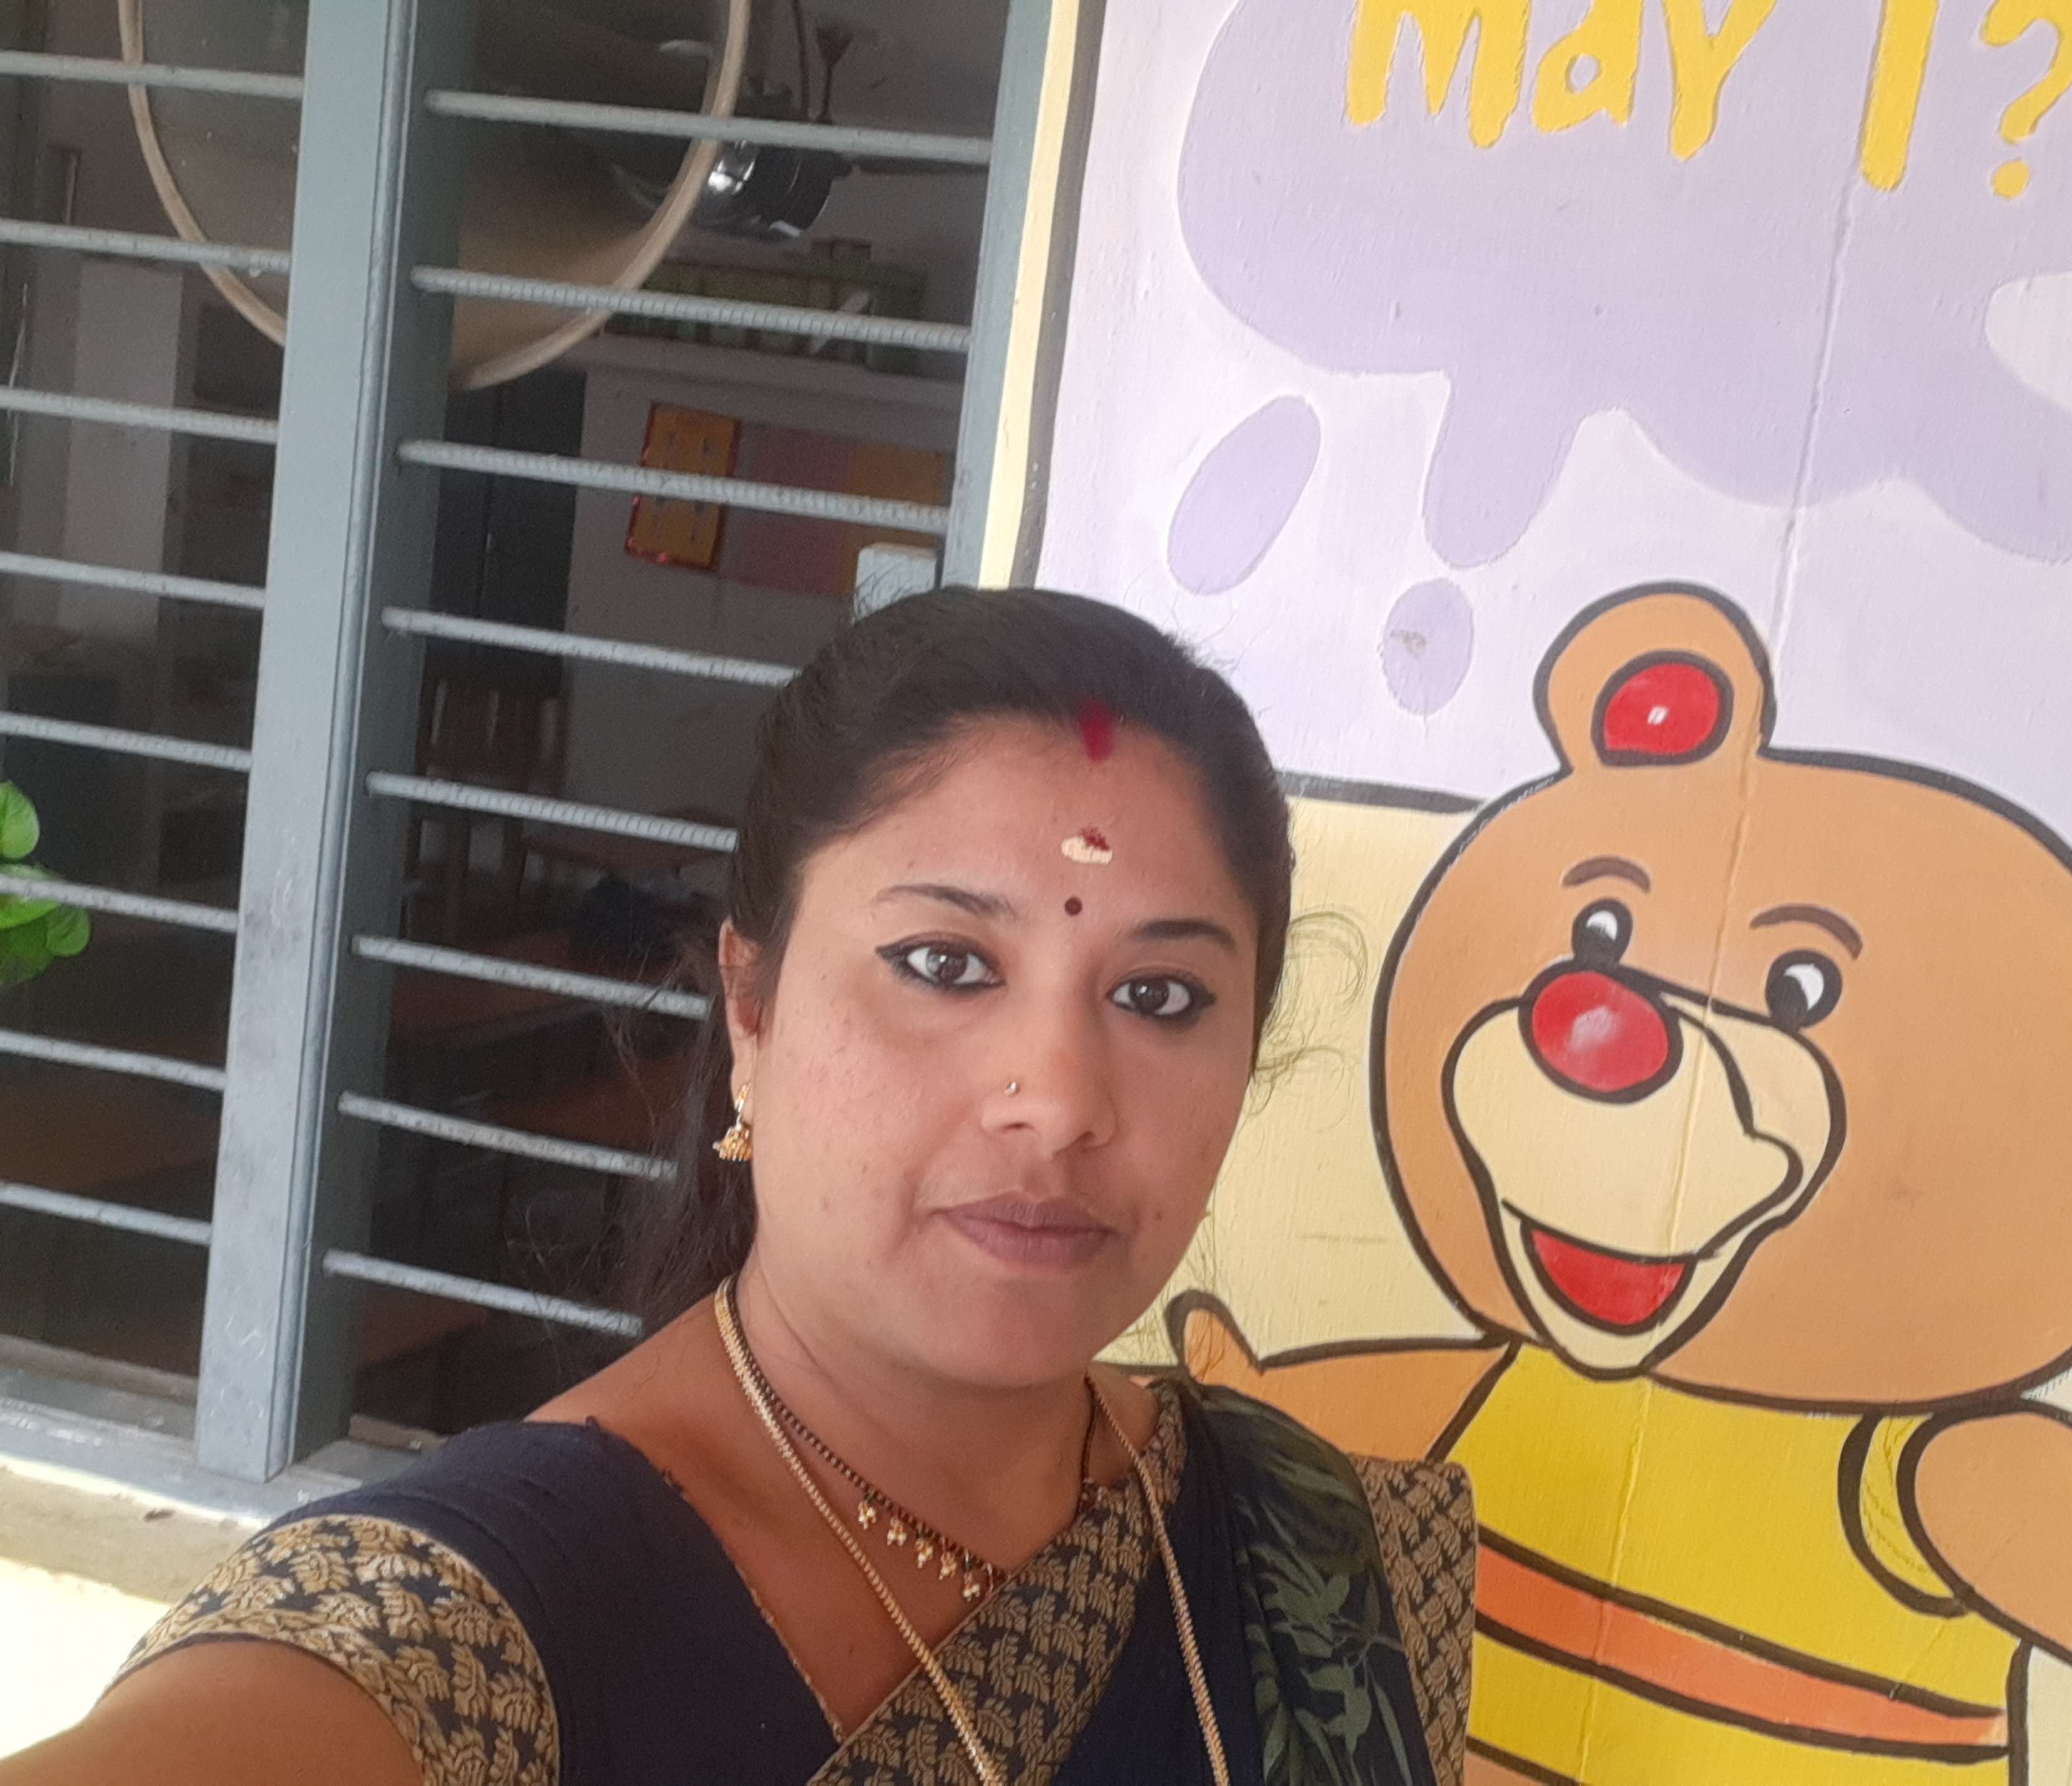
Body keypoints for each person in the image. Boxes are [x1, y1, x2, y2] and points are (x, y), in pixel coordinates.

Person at [9, 588, 1474, 1786]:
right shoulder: (472, 1629)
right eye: (945, 964)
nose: (1061, 1101)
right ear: (751, 1006)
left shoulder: (1314, 1561)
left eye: (1159, 996)